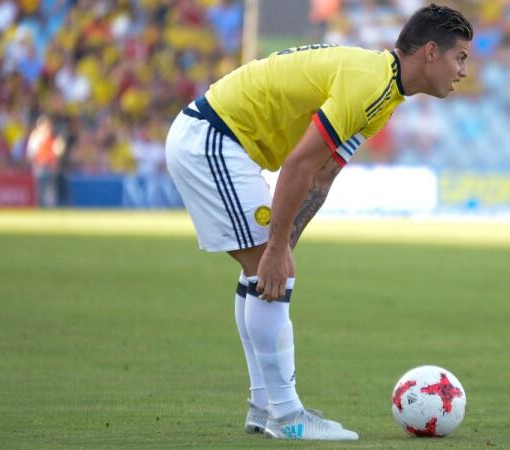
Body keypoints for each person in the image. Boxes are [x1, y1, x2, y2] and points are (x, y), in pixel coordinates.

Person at [165, 4, 472, 441]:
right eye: (460, 57)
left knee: (268, 272)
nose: (463, 71)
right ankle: (287, 416)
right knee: (269, 267)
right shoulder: (369, 84)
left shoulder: (385, 93)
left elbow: (322, 176)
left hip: (219, 139)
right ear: (430, 52)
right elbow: (297, 165)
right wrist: (276, 249)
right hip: (212, 138)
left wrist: (283, 246)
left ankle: (264, 407)